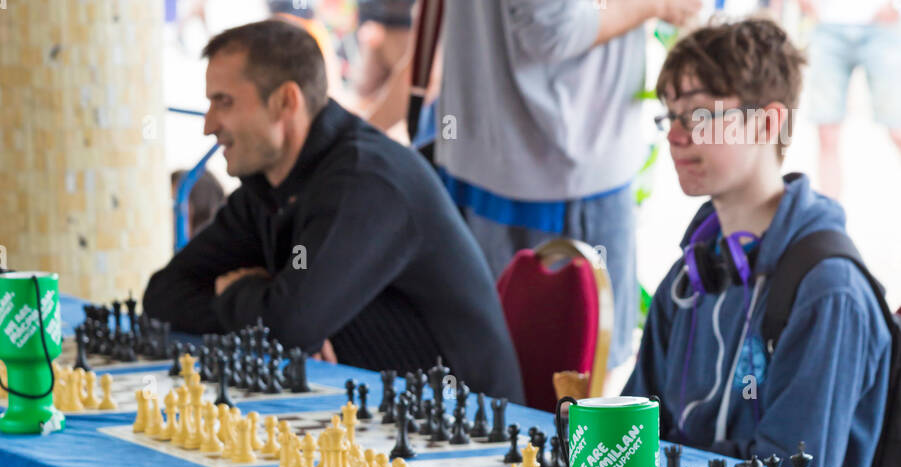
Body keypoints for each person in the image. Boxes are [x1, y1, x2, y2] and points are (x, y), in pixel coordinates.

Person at [143, 19, 524, 399]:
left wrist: (241, 290)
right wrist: (267, 308)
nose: (209, 125)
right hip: (364, 413)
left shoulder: (365, 182)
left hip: (465, 432)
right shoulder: (268, 183)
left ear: (285, 102)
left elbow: (287, 327)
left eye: (223, 102)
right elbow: (162, 295)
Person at [624, 17, 893, 467]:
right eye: (669, 116)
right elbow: (632, 430)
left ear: (767, 122)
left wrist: (666, 462)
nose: (674, 135)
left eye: (697, 115)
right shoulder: (690, 276)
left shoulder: (827, 291)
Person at [435, 0, 703, 372]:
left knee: (497, 371)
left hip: (500, 146)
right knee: (576, 382)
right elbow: (552, 31)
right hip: (556, 164)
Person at [799, 0, 901, 200]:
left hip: (881, 27)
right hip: (827, 26)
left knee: (897, 128)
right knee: (826, 132)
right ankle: (829, 215)